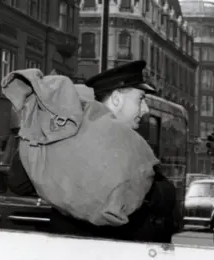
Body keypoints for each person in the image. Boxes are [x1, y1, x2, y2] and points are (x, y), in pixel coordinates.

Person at [48, 60, 177, 243]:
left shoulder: (71, 137)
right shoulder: (119, 148)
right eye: (140, 99)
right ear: (117, 99)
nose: (146, 109)